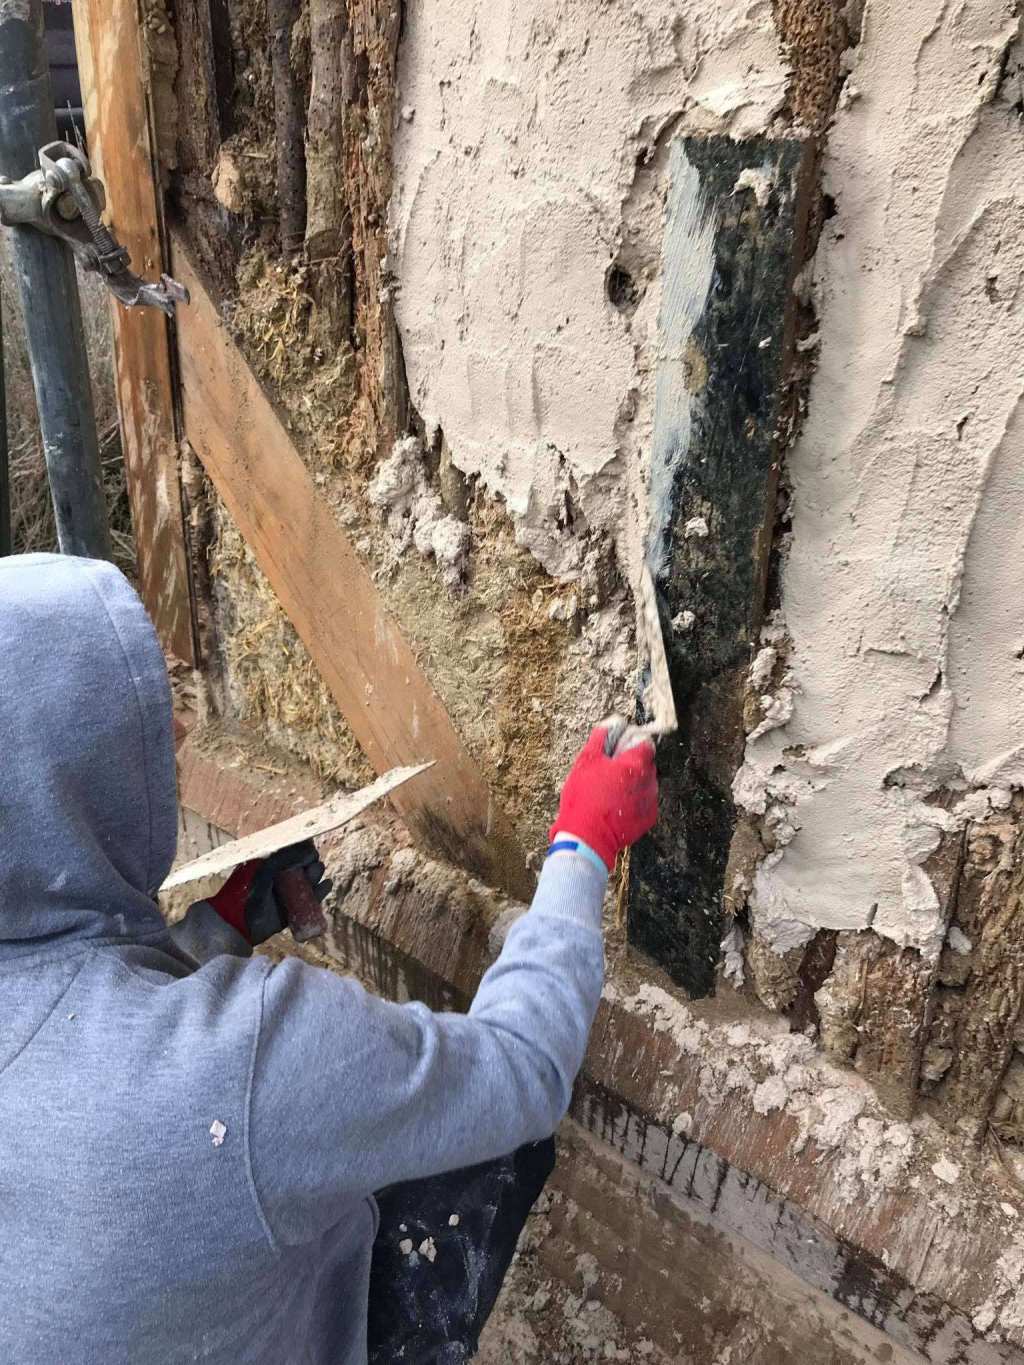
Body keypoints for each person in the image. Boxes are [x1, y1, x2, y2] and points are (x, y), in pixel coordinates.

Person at [0, 553, 658, 1363]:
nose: (176, 732)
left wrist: (219, 926)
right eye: (144, 723)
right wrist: (583, 846)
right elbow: (521, 1069)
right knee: (483, 1138)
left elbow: (74, 1041)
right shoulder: (252, 1060)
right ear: (80, 774)